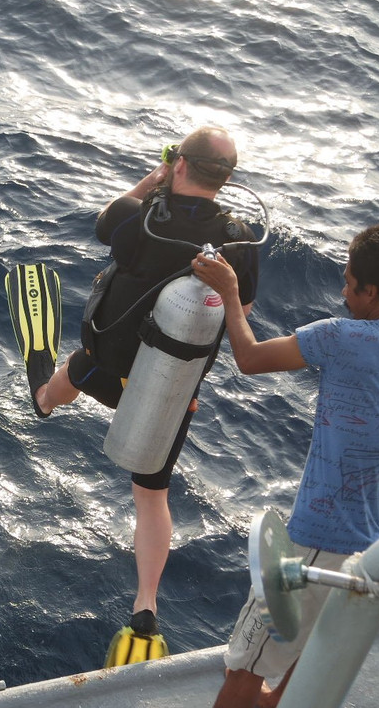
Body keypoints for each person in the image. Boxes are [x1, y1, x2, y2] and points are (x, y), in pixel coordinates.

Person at [136, 222, 379, 708]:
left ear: (372, 294)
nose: (343, 293)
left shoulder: (346, 336)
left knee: (248, 656)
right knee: (324, 629)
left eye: (350, 284)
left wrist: (231, 292)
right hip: (378, 543)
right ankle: (278, 701)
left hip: (319, 536)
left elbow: (251, 357)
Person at [34, 127, 260, 645]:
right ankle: (145, 605)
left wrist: (154, 178)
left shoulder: (144, 219)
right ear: (226, 179)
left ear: (180, 163)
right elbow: (239, 312)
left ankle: (44, 402)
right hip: (169, 384)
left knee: (71, 371)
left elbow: (104, 221)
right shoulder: (242, 240)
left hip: (106, 361)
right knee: (150, 495)